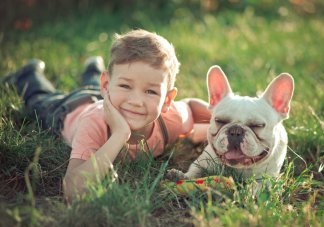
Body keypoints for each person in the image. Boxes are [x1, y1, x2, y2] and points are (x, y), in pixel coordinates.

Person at [3, 29, 211, 202]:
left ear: (167, 100)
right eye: (126, 85)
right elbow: (73, 191)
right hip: (67, 110)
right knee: (40, 98)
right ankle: (29, 73)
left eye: (150, 91)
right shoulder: (94, 123)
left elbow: (190, 107)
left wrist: (219, 116)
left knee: (96, 89)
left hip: (104, 96)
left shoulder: (170, 120)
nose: (136, 101)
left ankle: (94, 70)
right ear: (107, 84)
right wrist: (119, 134)